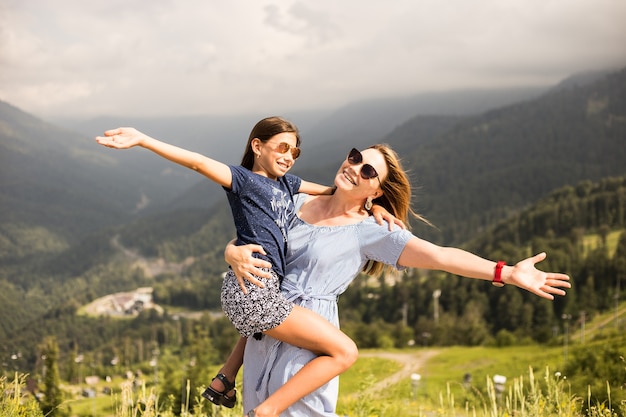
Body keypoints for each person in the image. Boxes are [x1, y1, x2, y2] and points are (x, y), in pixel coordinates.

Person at [224, 144, 571, 416]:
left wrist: (506, 272)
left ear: (376, 191)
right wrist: (232, 252)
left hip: (312, 343)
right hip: (266, 329)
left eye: (368, 170)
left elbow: (440, 255)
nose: (354, 167)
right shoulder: (296, 199)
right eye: (355, 157)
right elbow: (252, 233)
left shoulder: (373, 230)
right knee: (256, 404)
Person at [95, 118, 398, 417]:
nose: (288, 157)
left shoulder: (288, 185)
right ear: (257, 146)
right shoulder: (243, 179)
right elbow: (198, 162)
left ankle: (224, 380)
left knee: (272, 312)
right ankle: (265, 411)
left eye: (294, 152)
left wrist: (374, 205)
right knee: (344, 351)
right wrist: (143, 140)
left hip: (259, 287)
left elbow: (334, 193)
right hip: (250, 289)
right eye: (282, 148)